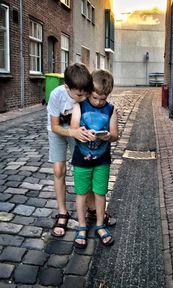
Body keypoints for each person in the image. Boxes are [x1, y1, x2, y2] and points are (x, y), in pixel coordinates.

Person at [47, 63, 116, 238]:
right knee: (58, 169)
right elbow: (55, 126)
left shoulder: (87, 94)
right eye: (80, 94)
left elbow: (101, 105)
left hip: (79, 130)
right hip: (60, 131)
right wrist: (72, 132)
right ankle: (63, 212)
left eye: (87, 93)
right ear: (67, 87)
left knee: (88, 164)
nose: (83, 97)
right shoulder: (57, 95)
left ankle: (93, 209)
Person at [71, 69, 118, 248]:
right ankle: (82, 226)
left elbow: (115, 135)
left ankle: (100, 224)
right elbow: (74, 127)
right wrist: (83, 132)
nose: (98, 102)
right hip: (81, 159)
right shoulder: (80, 106)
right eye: (95, 97)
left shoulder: (111, 110)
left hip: (102, 160)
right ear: (90, 90)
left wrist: (107, 137)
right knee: (81, 193)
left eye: (103, 99)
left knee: (100, 193)